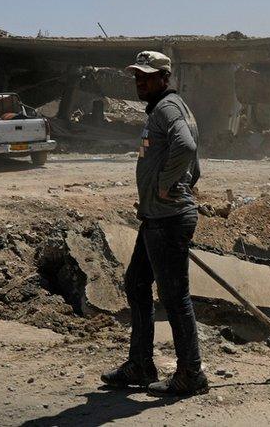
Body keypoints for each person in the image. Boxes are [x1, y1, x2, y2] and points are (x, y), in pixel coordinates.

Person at [101, 51, 206, 397]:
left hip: (167, 220)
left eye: (147, 76)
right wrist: (173, 186)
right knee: (136, 282)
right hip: (157, 218)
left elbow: (186, 146)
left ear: (164, 77)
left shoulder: (167, 108)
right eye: (137, 76)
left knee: (175, 298)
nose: (140, 81)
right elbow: (196, 167)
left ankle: (190, 374)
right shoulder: (169, 108)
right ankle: (141, 364)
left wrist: (164, 186)